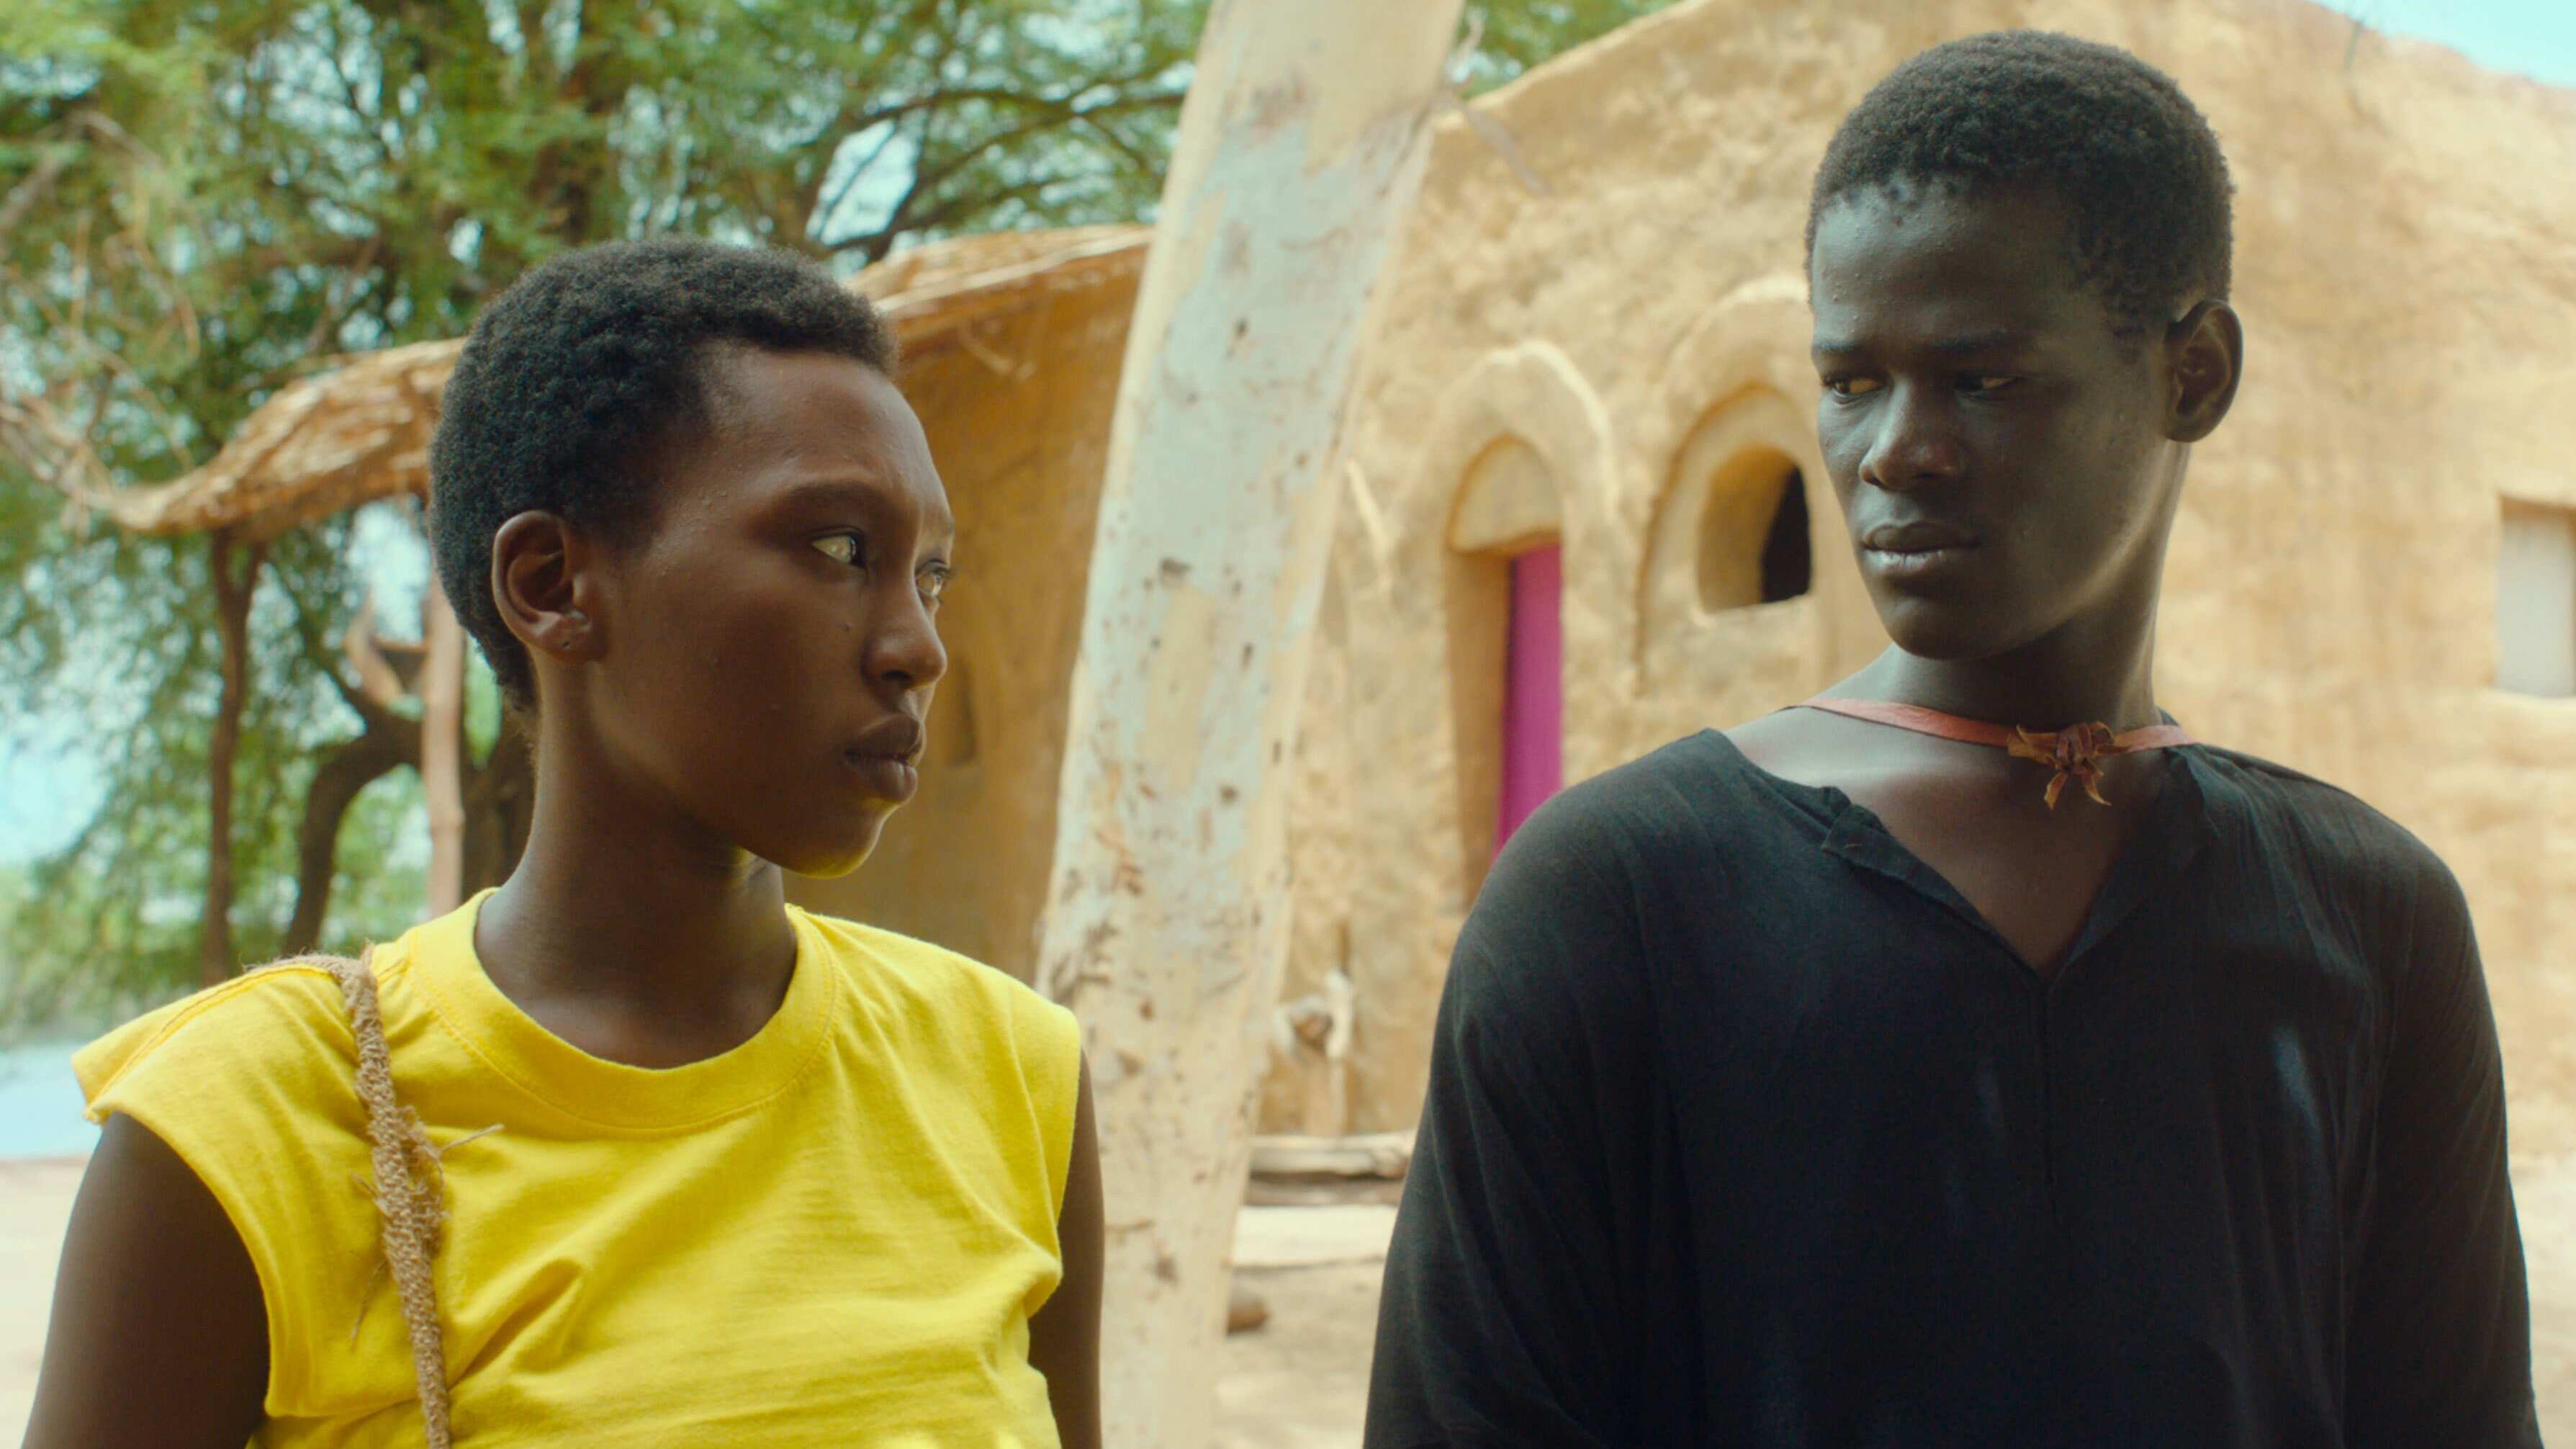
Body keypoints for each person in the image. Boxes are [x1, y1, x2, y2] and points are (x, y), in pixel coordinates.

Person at [1366, 31, 2536, 1449]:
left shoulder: (2364, 920)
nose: (1891, 450)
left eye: (1981, 379)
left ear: (2194, 374)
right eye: (1851, 380)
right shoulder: (1613, 898)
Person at [24, 238, 1103, 1448]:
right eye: (839, 549)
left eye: (932, 574)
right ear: (551, 584)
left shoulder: (1008, 1074)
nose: (916, 645)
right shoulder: (248, 1131)